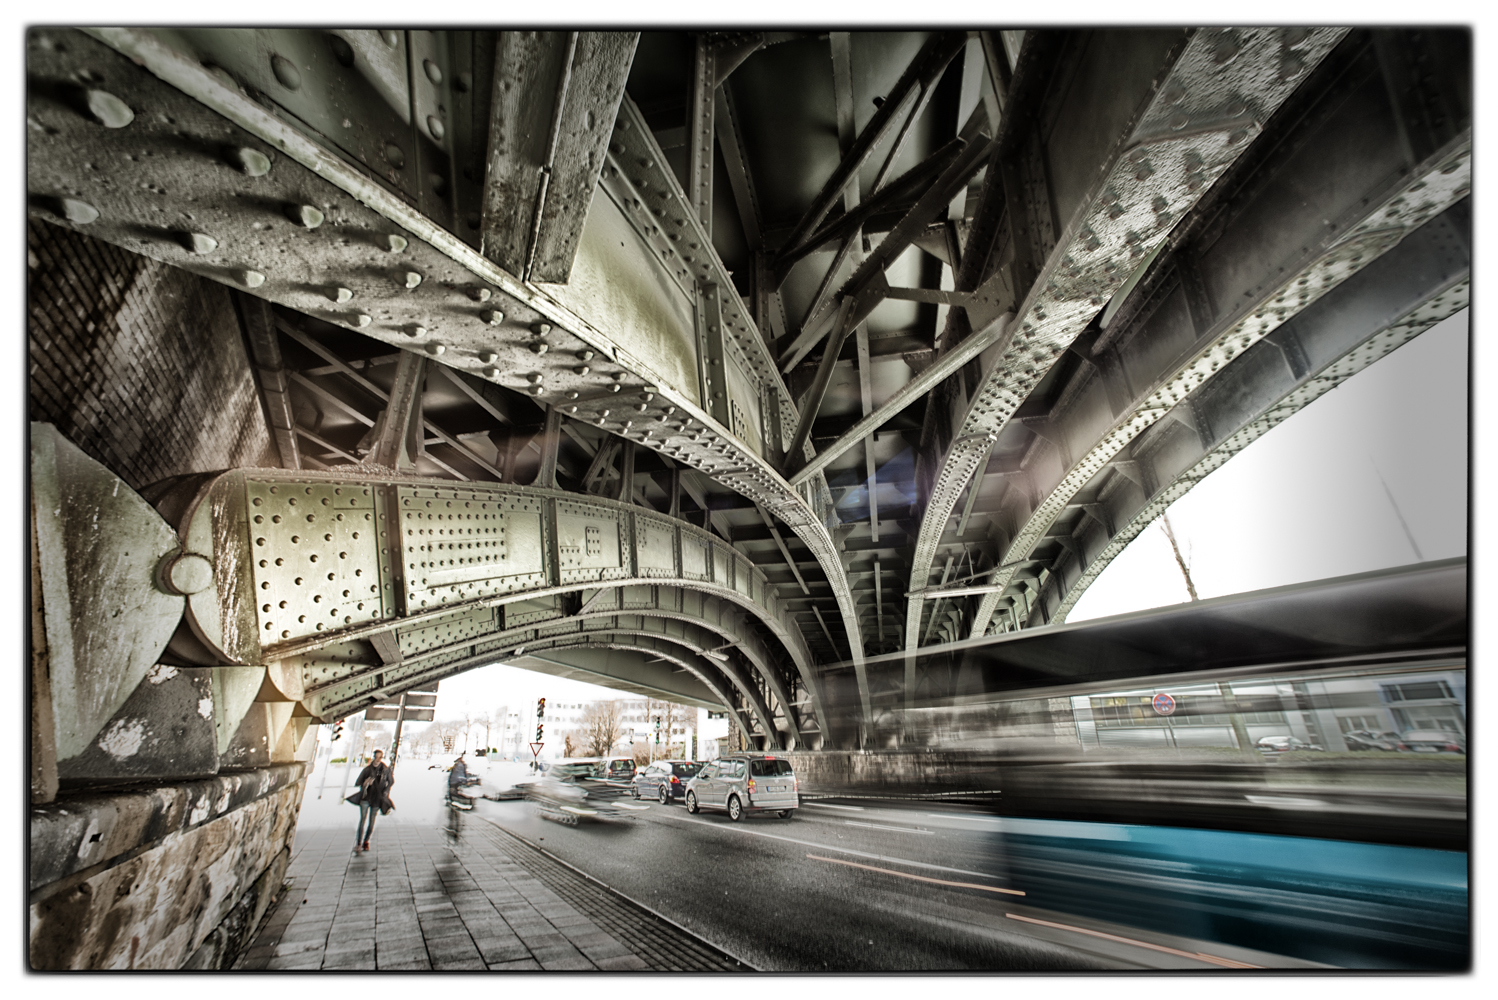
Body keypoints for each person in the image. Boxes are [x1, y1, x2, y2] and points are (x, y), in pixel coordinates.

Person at [349, 749, 393, 853]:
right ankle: (358, 843)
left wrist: (385, 792)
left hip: (377, 798)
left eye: (380, 757)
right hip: (366, 797)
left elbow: (390, 782)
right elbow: (358, 782)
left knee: (372, 821)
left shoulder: (386, 770)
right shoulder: (367, 769)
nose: (378, 759)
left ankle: (366, 841)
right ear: (373, 757)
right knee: (362, 820)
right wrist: (365, 783)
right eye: (376, 757)